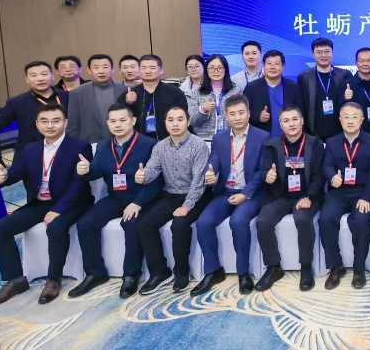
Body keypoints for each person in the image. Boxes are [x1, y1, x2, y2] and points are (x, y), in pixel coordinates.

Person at [0, 103, 93, 307]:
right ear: (37, 124)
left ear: (65, 123)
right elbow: (15, 173)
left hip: (72, 202)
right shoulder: (30, 149)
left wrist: (58, 210)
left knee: (56, 227)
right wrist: (4, 177)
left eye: (55, 121)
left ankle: (53, 279)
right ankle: (15, 280)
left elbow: (79, 184)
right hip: (39, 202)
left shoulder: (79, 146)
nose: (50, 125)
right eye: (44, 121)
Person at [71, 103, 161, 299]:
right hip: (115, 197)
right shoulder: (103, 146)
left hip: (141, 198)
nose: (117, 125)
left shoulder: (149, 144)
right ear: (108, 123)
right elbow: (96, 171)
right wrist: (85, 171)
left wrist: (138, 203)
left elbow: (158, 181)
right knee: (86, 223)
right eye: (113, 121)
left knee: (132, 224)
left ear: (133, 121)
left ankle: (131, 275)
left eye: (122, 120)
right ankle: (95, 272)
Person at [192, 95, 269, 296]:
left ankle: (243, 273)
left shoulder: (263, 137)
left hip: (251, 194)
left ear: (249, 113)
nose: (237, 117)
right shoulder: (219, 138)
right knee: (204, 223)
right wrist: (210, 174)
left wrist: (245, 194)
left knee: (238, 221)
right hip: (225, 192)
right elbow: (214, 161)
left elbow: (262, 171)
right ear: (226, 116)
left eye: (241, 113)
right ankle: (213, 271)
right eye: (232, 114)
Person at [134, 106, 211, 294]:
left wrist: (187, 206)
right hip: (170, 195)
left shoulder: (199, 145)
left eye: (180, 119)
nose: (175, 124)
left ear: (188, 122)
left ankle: (181, 272)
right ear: (165, 123)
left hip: (196, 195)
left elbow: (199, 181)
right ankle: (160, 272)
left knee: (179, 224)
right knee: (144, 224)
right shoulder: (160, 147)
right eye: (171, 120)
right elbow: (152, 170)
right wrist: (143, 176)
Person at [256, 106, 326, 291]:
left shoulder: (315, 143)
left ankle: (306, 266)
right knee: (263, 221)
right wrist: (267, 177)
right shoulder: (271, 145)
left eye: (295, 119)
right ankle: (273, 267)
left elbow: (319, 175)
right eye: (286, 121)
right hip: (281, 195)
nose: (291, 124)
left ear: (302, 121)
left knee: (302, 219)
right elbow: (263, 172)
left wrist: (309, 196)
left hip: (307, 195)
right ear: (280, 125)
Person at [320, 103, 370, 289]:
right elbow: (326, 165)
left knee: (361, 220)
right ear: (340, 120)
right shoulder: (332, 142)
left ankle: (359, 268)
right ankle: (336, 266)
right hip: (339, 192)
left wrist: (367, 197)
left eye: (354, 117)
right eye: (346, 117)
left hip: (363, 192)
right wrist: (332, 177)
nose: (350, 121)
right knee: (326, 218)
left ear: (362, 120)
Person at [0, 60, 69, 153]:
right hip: (32, 153)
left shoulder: (68, 96)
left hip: (66, 149)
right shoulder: (16, 102)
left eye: (44, 74)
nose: (40, 78)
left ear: (52, 76)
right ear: (27, 79)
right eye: (34, 75)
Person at [118, 54, 187, 141]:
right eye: (144, 68)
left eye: (152, 68)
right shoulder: (130, 93)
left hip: (169, 140)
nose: (148, 71)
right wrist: (127, 102)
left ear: (161, 70)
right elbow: (119, 117)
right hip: (140, 141)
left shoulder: (174, 92)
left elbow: (183, 116)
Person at [297, 37, 352, 140]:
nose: (323, 55)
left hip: (340, 133)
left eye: (327, 51)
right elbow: (301, 106)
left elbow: (352, 104)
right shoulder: (304, 77)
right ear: (313, 54)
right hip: (313, 134)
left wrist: (348, 98)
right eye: (319, 52)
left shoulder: (344, 75)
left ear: (332, 53)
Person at [66, 54, 128, 144]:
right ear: (89, 70)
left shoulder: (124, 89)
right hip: (89, 144)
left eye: (105, 67)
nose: (101, 71)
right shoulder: (77, 93)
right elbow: (73, 125)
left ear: (112, 69)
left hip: (121, 142)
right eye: (96, 67)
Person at [244, 49, 302, 137]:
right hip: (261, 139)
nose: (272, 67)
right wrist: (258, 117)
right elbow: (243, 113)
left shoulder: (294, 88)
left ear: (283, 66)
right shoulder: (251, 88)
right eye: (269, 64)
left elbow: (301, 113)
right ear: (263, 66)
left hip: (289, 139)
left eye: (276, 64)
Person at [188, 54, 242, 140]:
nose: (216, 71)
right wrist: (203, 110)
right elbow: (192, 121)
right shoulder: (197, 92)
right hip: (204, 140)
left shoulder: (236, 91)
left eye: (220, 68)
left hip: (230, 138)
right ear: (206, 70)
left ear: (225, 70)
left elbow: (241, 117)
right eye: (212, 68)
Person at [345, 47, 370, 139]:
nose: (365, 64)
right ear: (356, 63)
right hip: (357, 134)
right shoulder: (348, 84)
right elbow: (342, 111)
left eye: (369, 60)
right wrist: (345, 99)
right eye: (362, 61)